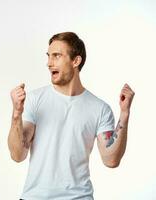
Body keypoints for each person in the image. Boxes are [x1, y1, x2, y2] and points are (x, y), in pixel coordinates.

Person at [8, 32, 135, 199]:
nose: (49, 63)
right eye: (48, 56)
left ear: (76, 61)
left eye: (57, 56)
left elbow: (111, 160)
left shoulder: (99, 108)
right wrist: (17, 114)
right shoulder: (34, 99)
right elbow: (18, 155)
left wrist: (124, 114)